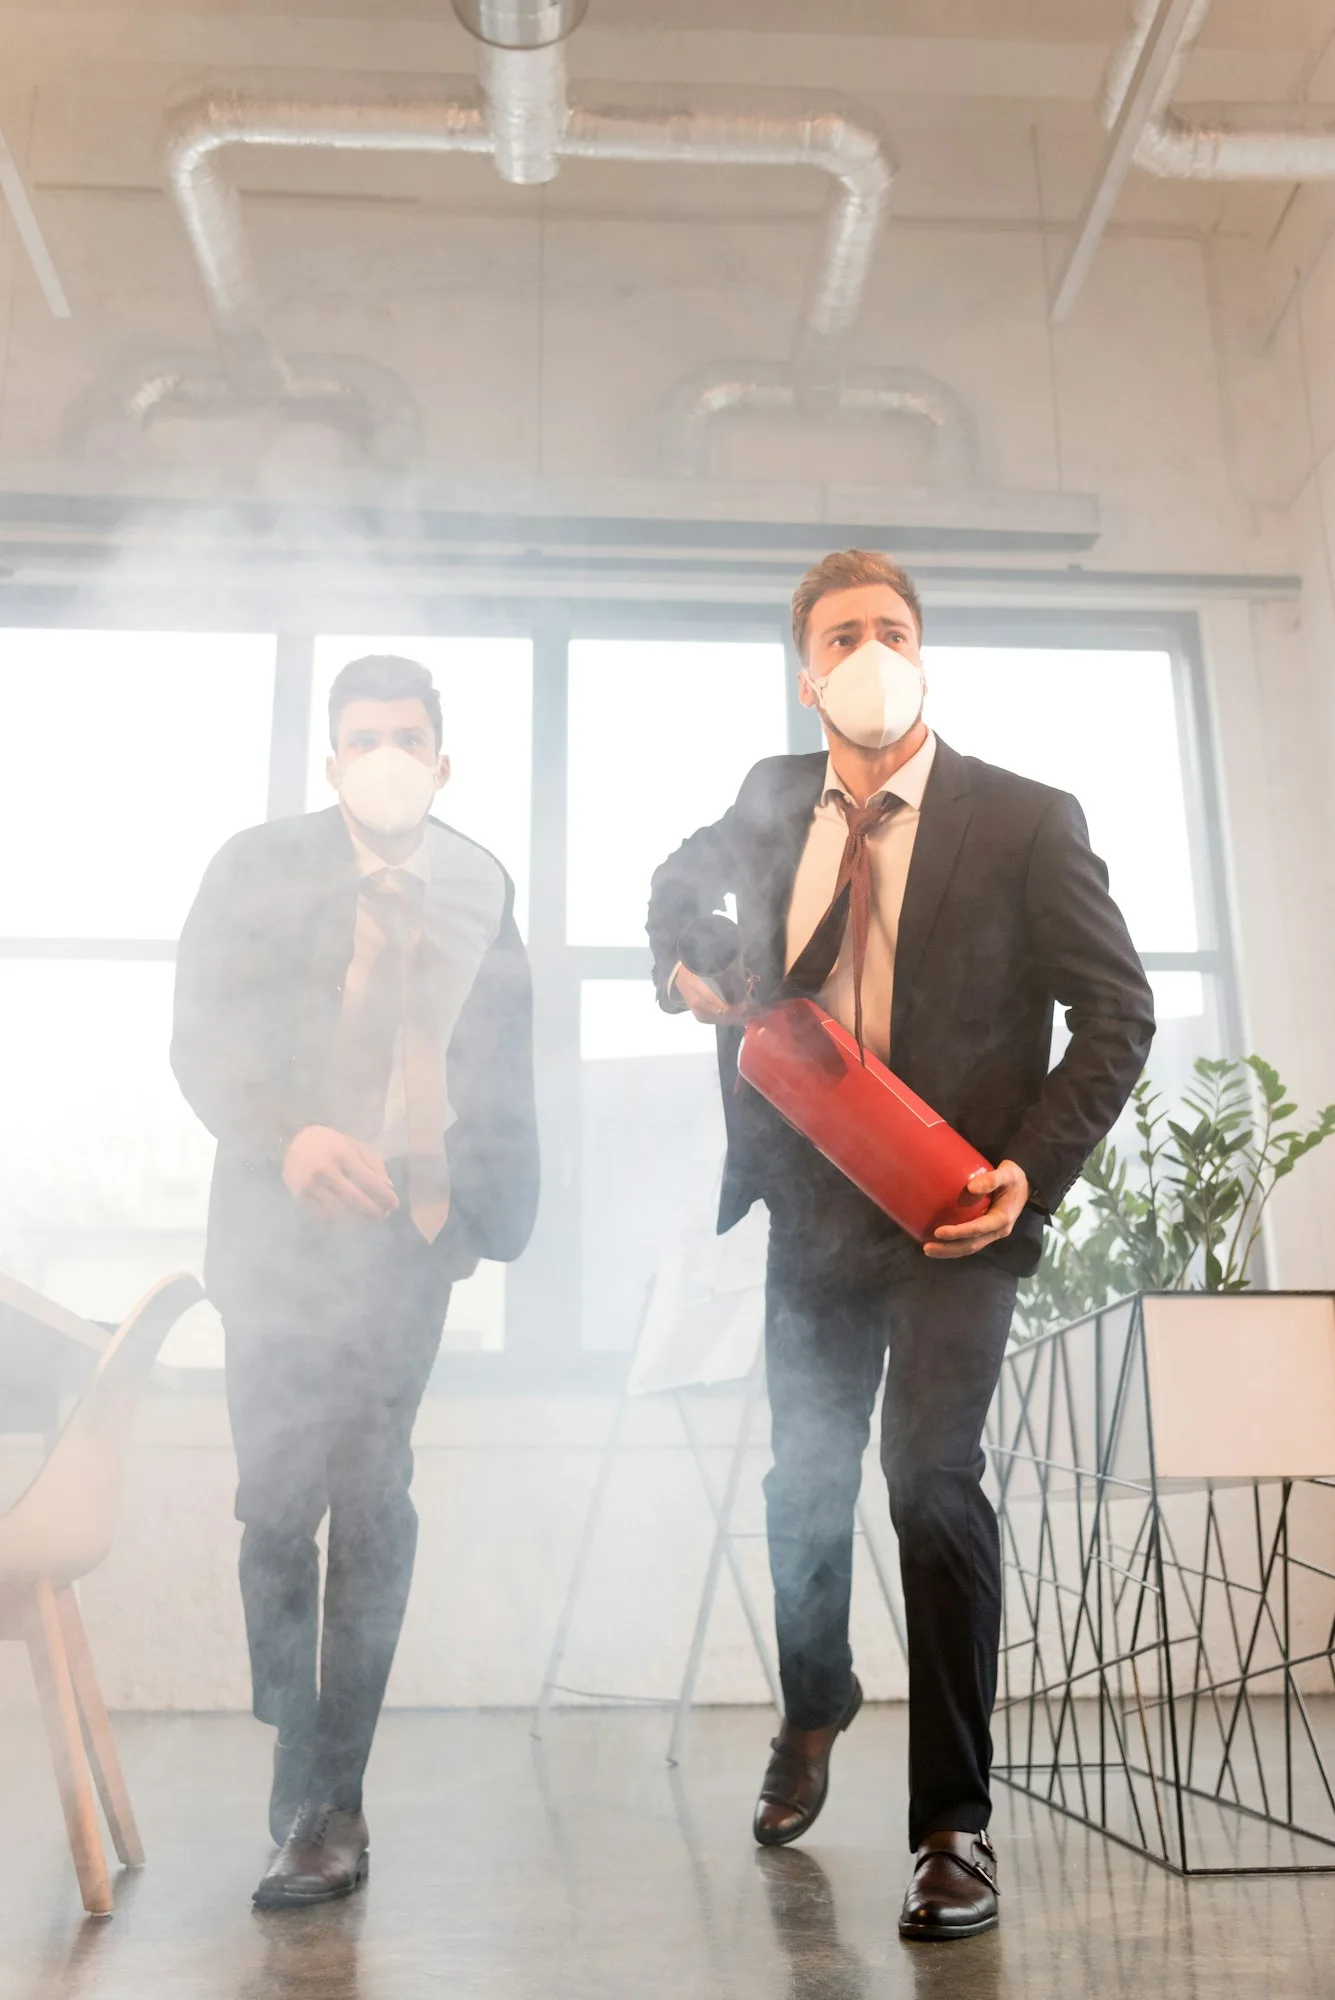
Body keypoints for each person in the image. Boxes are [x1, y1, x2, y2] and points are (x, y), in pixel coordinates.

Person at [647, 551, 1154, 1942]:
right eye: (838, 636)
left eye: (889, 631)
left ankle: (949, 1829)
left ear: (922, 655)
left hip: (949, 1214)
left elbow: (1115, 1015)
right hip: (808, 1205)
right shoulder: (765, 798)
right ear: (805, 672)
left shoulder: (1023, 821)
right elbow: (674, 885)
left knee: (927, 1490)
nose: (866, 653)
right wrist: (684, 950)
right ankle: (815, 1702)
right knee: (798, 1489)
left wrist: (1023, 1171)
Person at [172, 653, 538, 1910]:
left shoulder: (484, 880)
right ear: (332, 762)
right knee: (277, 1507)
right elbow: (200, 1036)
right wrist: (287, 1136)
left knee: (373, 1497)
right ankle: (301, 1745)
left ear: (444, 759)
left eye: (409, 735)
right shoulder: (254, 865)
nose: (387, 754)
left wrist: (479, 1216)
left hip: (406, 1233)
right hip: (279, 1229)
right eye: (364, 736)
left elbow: (505, 1050)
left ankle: (333, 1800)